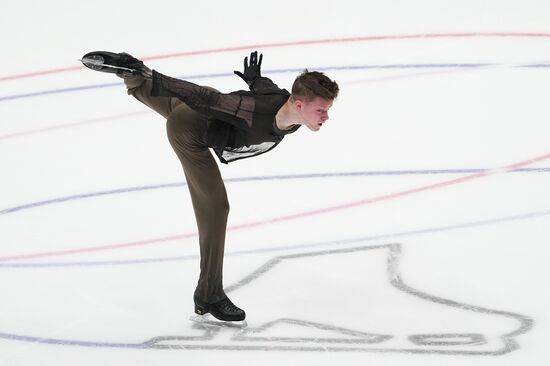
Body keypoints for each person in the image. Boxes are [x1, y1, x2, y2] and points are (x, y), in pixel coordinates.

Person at [81, 50, 339, 322]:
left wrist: (256, 79)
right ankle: (209, 294)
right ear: (299, 104)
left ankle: (130, 73)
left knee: (174, 100)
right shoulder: (253, 112)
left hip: (206, 113)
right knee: (216, 208)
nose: (325, 117)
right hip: (191, 131)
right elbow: (206, 99)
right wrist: (154, 76)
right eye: (321, 110)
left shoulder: (286, 106)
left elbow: (268, 90)